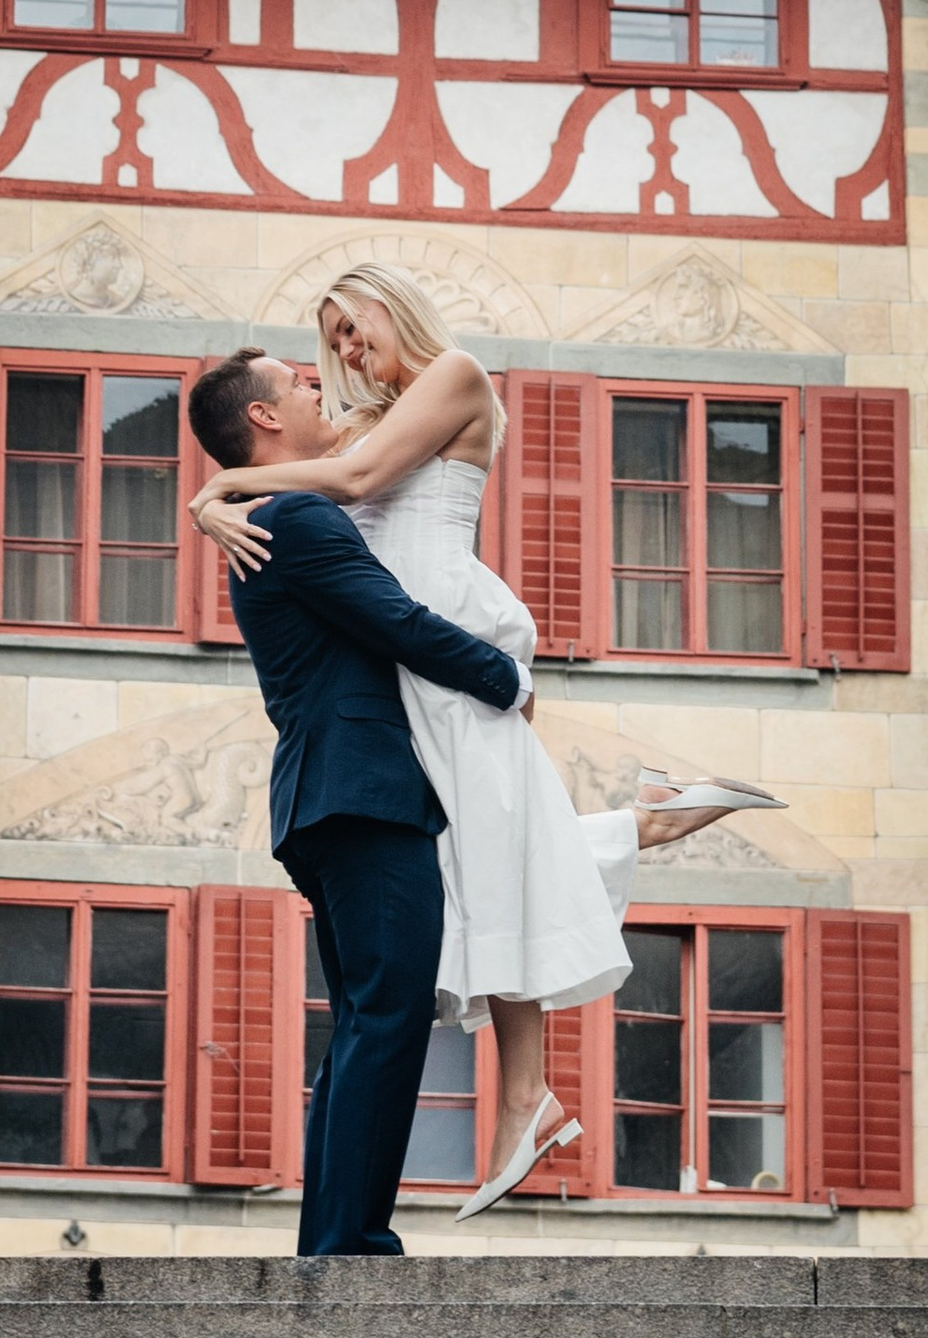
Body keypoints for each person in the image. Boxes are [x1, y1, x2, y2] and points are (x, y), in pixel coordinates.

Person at [191, 260, 781, 1216]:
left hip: (442, 624)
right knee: (477, 853)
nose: (341, 351)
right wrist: (233, 489)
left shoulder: (454, 375)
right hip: (407, 654)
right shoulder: (358, 418)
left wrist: (216, 491)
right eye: (328, 339)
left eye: (353, 323)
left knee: (490, 845)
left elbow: (348, 478)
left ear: (394, 303)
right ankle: (641, 827)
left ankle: (525, 1093)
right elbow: (304, 460)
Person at [185, 343, 528, 1258]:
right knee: (388, 1013)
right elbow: (397, 621)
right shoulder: (294, 517)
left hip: (330, 796)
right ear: (264, 419)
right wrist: (506, 677)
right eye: (297, 383)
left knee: (366, 1019)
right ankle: (350, 1243)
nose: (315, 385)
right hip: (364, 793)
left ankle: (335, 1236)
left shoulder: (269, 515)